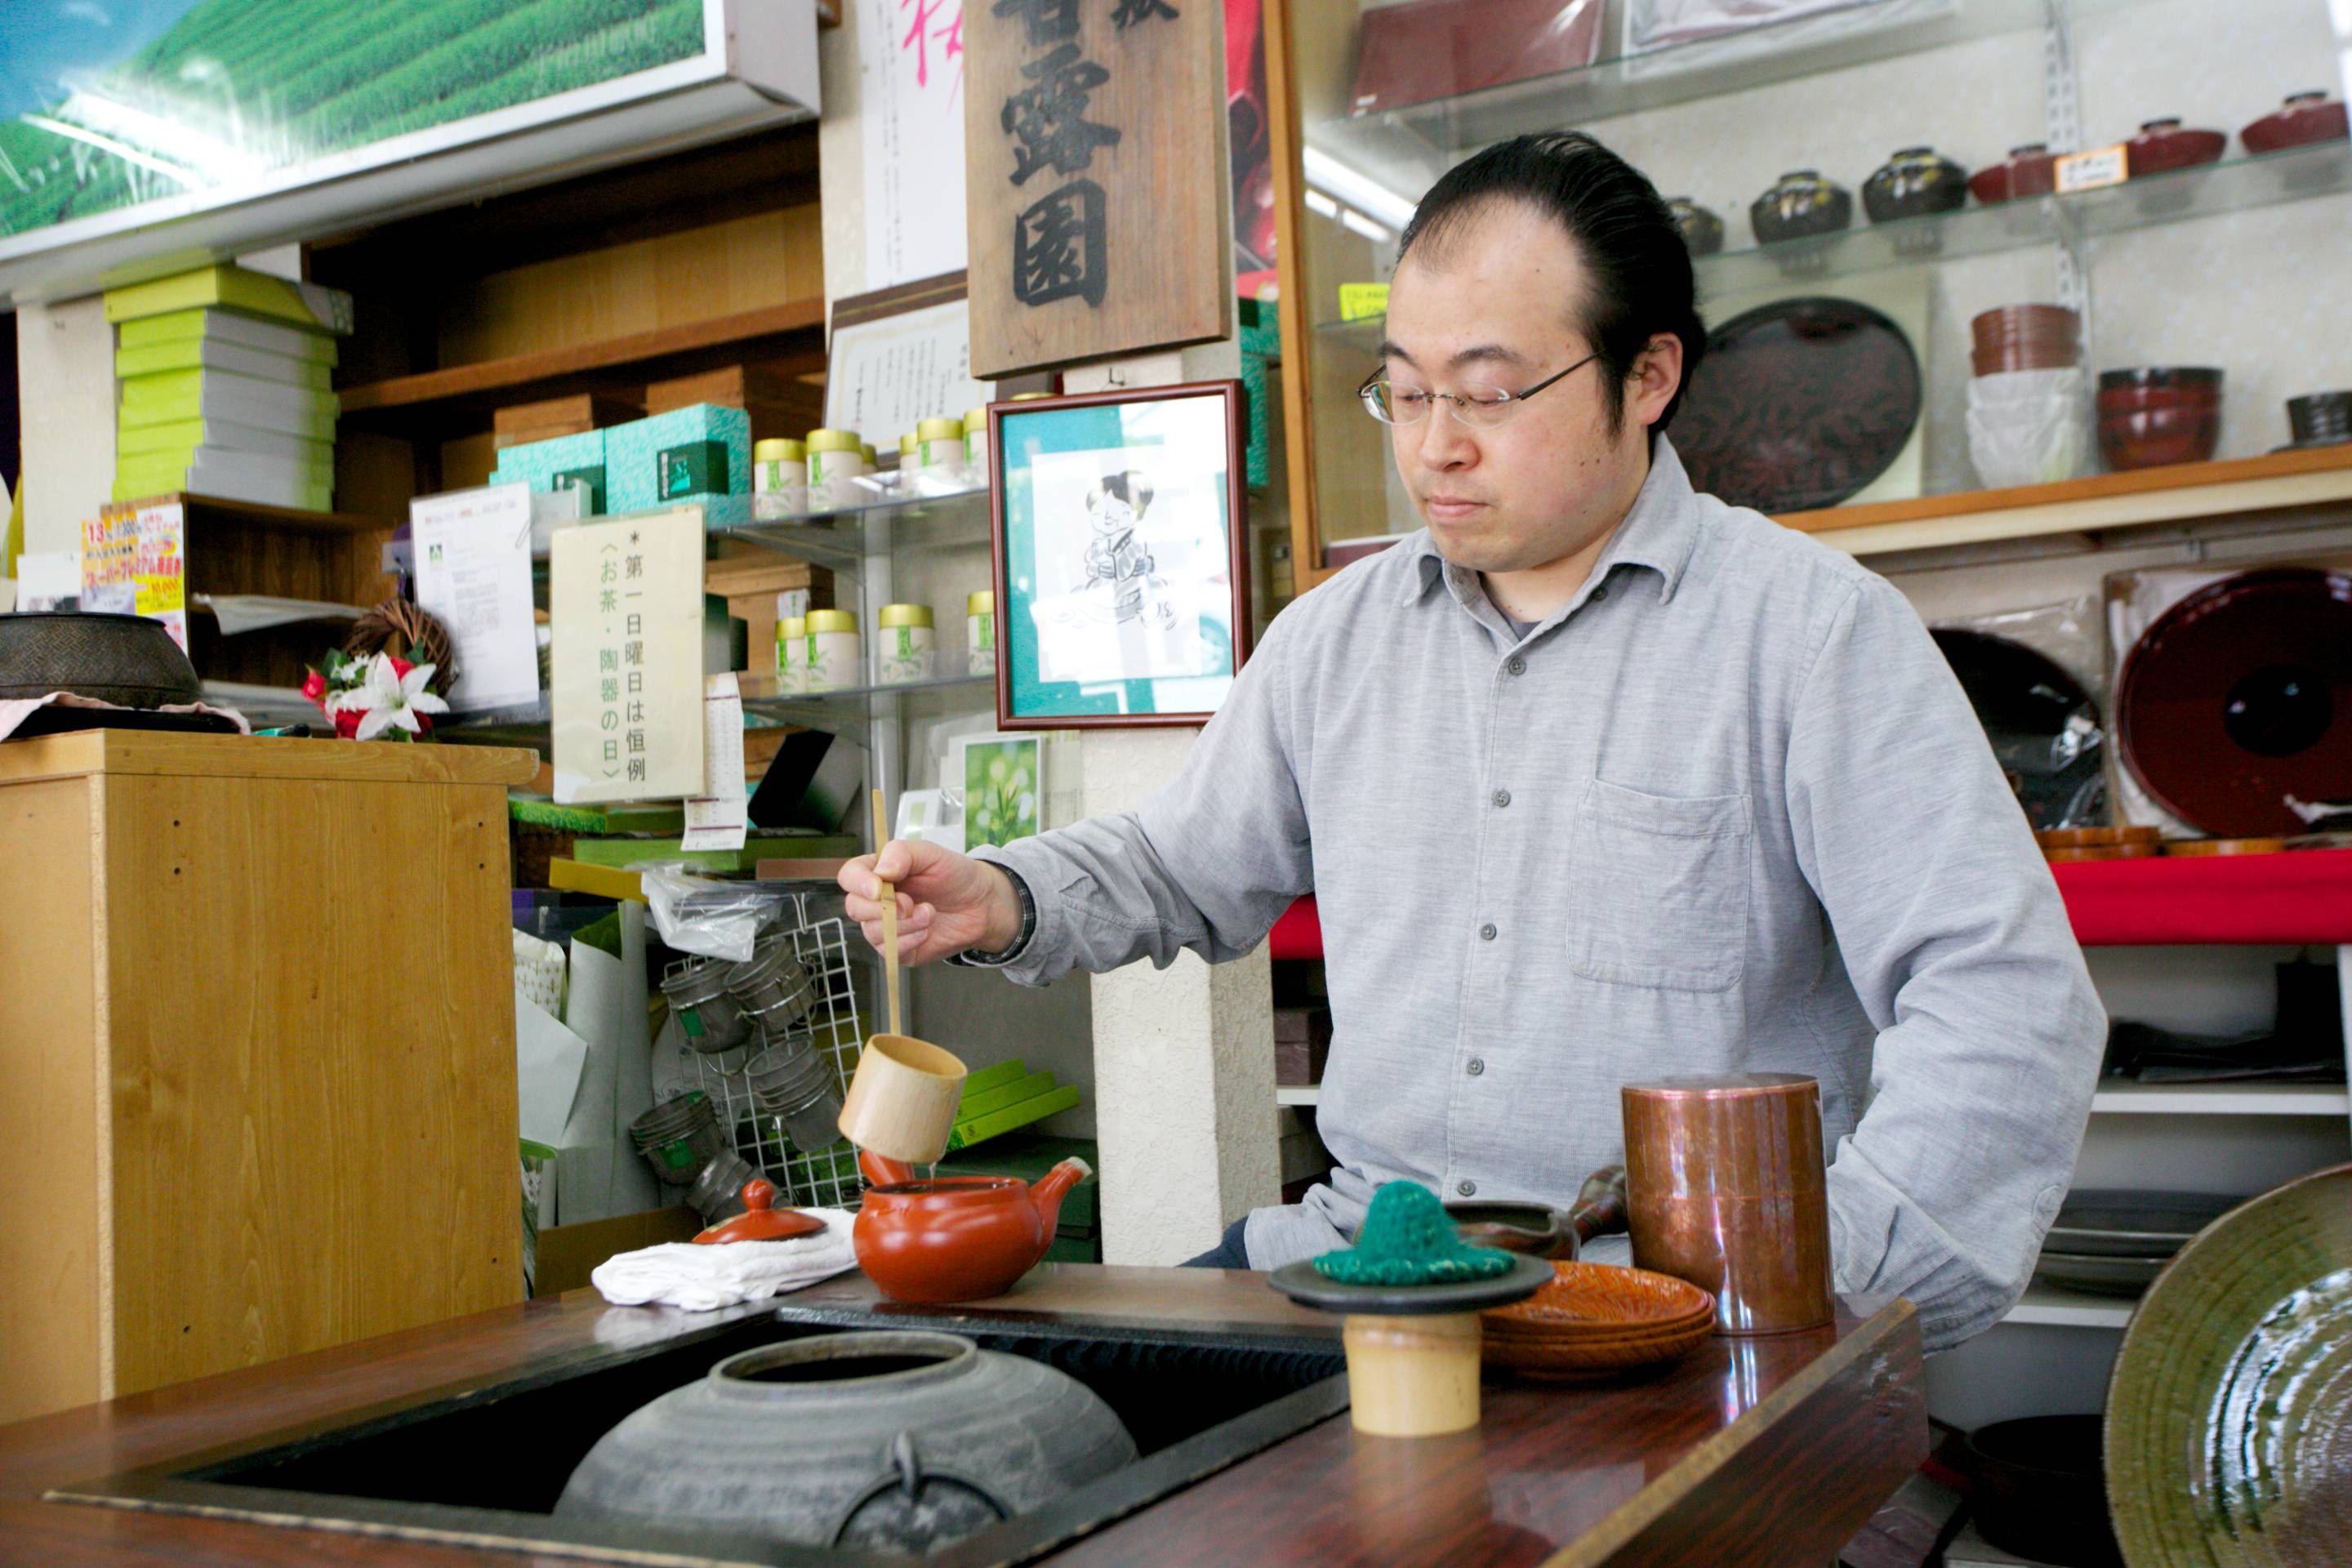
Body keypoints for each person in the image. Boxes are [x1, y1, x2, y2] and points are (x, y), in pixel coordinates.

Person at [838, 131, 2105, 1351]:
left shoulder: (1813, 636)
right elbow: (1185, 862)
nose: (1434, 444)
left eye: (1491, 392)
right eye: (1403, 389)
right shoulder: (1336, 640)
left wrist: (1828, 1277)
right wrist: (1001, 895)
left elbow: (2003, 998)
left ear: (1649, 376)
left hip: (1662, 1293)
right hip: (1362, 1258)